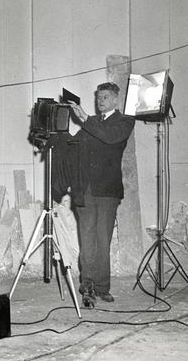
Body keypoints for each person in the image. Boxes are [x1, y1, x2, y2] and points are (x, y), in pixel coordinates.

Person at [68, 82, 135, 307]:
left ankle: (102, 287)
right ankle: (87, 286)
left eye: (105, 96)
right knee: (87, 240)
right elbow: (75, 146)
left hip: (107, 191)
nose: (100, 100)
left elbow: (109, 138)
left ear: (116, 100)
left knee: (102, 240)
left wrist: (85, 119)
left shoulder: (125, 122)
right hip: (85, 191)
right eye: (98, 96)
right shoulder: (91, 122)